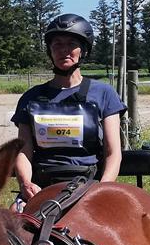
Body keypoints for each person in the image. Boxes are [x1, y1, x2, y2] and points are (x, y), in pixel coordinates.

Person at [11, 13, 125, 205]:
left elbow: (113, 152)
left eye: (71, 44)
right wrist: (25, 184)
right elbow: (24, 151)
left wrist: (103, 188)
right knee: (9, 224)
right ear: (50, 51)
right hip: (42, 184)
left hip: (89, 183)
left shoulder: (104, 93)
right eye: (57, 44)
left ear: (83, 51)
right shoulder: (31, 98)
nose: (64, 50)